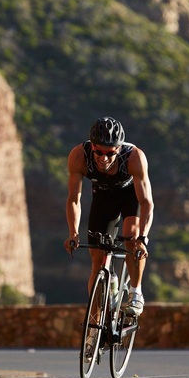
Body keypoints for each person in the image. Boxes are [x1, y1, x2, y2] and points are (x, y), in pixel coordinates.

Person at [63, 116, 154, 316]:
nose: (103, 158)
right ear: (92, 146)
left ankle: (135, 292)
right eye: (98, 152)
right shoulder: (79, 155)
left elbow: (147, 203)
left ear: (119, 149)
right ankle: (95, 328)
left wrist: (143, 238)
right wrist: (73, 232)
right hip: (103, 196)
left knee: (130, 236)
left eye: (110, 153)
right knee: (97, 261)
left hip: (130, 195)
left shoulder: (134, 157)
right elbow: (73, 200)